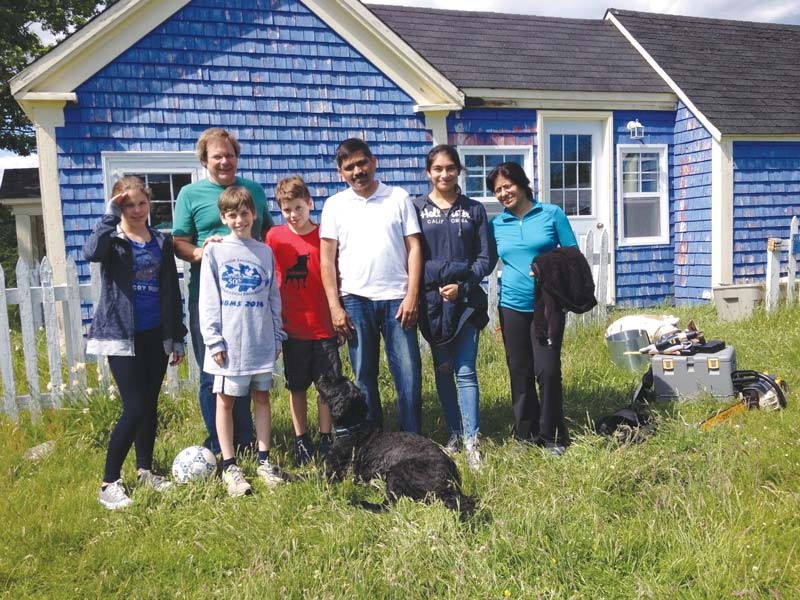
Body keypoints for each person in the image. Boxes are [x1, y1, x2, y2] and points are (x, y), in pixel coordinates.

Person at [84, 176, 187, 509]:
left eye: (142, 203)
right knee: (136, 405)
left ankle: (145, 471)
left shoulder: (161, 241)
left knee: (150, 404)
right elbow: (91, 252)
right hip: (120, 334)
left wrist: (176, 336)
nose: (138, 210)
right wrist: (109, 215)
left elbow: (170, 290)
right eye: (129, 205)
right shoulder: (112, 239)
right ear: (119, 206)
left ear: (149, 203)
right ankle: (108, 482)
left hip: (155, 334)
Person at [172, 128, 274, 455]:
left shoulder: (253, 191)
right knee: (214, 372)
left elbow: (269, 234)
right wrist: (200, 252)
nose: (224, 161)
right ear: (205, 160)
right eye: (217, 156)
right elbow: (178, 242)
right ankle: (219, 445)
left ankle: (245, 441)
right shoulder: (190, 194)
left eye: (229, 155)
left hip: (251, 301)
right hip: (210, 298)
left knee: (246, 370)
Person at [319, 138, 423, 433]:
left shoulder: (398, 197)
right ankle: (372, 439)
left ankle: (411, 437)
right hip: (354, 299)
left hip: (397, 299)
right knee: (364, 375)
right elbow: (326, 260)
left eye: (362, 163)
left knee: (408, 374)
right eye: (349, 167)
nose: (357, 171)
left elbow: (414, 247)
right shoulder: (334, 205)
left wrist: (412, 295)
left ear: (373, 162)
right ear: (341, 173)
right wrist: (335, 307)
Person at [198, 186, 287, 497]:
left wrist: (277, 335)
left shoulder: (264, 252)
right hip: (229, 345)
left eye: (244, 213)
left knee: (262, 398)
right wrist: (214, 341)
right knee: (225, 401)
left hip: (260, 342)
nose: (239, 220)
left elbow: (273, 297)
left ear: (254, 214)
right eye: (232, 215)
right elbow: (208, 299)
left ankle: (264, 461)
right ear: (223, 218)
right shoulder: (215, 251)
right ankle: (229, 465)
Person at [488, 161, 578, 456]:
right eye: (497, 190)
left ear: (522, 184)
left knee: (548, 370)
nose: (503, 193)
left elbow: (572, 255)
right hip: (511, 306)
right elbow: (484, 263)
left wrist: (546, 267)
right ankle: (526, 435)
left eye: (508, 186)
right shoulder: (497, 224)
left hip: (547, 305)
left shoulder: (551, 213)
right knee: (519, 371)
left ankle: (554, 436)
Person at [414, 145, 494, 471]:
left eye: (450, 168)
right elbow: (411, 254)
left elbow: (486, 258)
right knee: (443, 369)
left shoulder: (474, 210)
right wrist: (430, 285)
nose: (444, 174)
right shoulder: (417, 208)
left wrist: (464, 285)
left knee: (466, 370)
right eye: (438, 169)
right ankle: (455, 434)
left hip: (466, 302)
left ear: (459, 170)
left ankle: (473, 440)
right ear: (428, 172)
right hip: (432, 303)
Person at [266, 175, 338, 466]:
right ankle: (301, 438)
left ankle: (326, 437)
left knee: (326, 387)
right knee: (296, 386)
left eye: (298, 208)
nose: (293, 215)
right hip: (292, 327)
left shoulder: (324, 237)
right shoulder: (274, 237)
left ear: (309, 203)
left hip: (323, 326)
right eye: (287, 210)